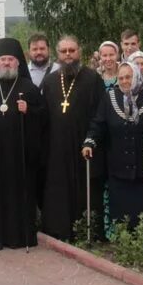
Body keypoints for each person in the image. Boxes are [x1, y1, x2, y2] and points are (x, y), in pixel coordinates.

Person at [0, 37, 45, 250]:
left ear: (18, 63)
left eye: (11, 59)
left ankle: (21, 238)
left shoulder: (29, 88)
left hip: (20, 155)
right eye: (3, 59)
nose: (6, 63)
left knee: (21, 196)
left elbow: (43, 118)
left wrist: (29, 111)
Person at [40, 35, 106, 241]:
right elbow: (43, 115)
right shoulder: (50, 80)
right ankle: (59, 229)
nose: (68, 55)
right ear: (57, 54)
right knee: (58, 189)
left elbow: (100, 113)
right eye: (64, 51)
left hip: (83, 145)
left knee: (84, 190)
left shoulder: (93, 78)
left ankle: (86, 232)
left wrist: (91, 138)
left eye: (72, 50)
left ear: (79, 52)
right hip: (57, 147)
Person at [82, 62, 143, 231]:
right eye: (121, 77)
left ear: (137, 76)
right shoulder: (110, 97)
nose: (124, 81)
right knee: (121, 212)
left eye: (128, 77)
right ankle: (122, 244)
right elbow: (98, 123)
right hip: (118, 165)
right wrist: (90, 141)